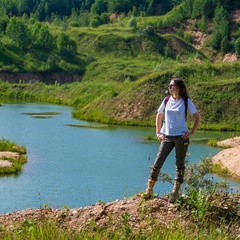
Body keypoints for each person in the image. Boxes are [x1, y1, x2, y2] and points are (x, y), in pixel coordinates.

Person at [142, 78, 201, 203]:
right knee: (158, 162)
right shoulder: (166, 100)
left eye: (171, 85)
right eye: (169, 85)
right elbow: (159, 115)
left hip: (181, 137)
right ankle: (149, 189)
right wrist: (158, 132)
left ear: (178, 87)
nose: (169, 87)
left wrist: (191, 132)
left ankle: (175, 193)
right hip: (167, 136)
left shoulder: (186, 101)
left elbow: (197, 117)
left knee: (179, 165)